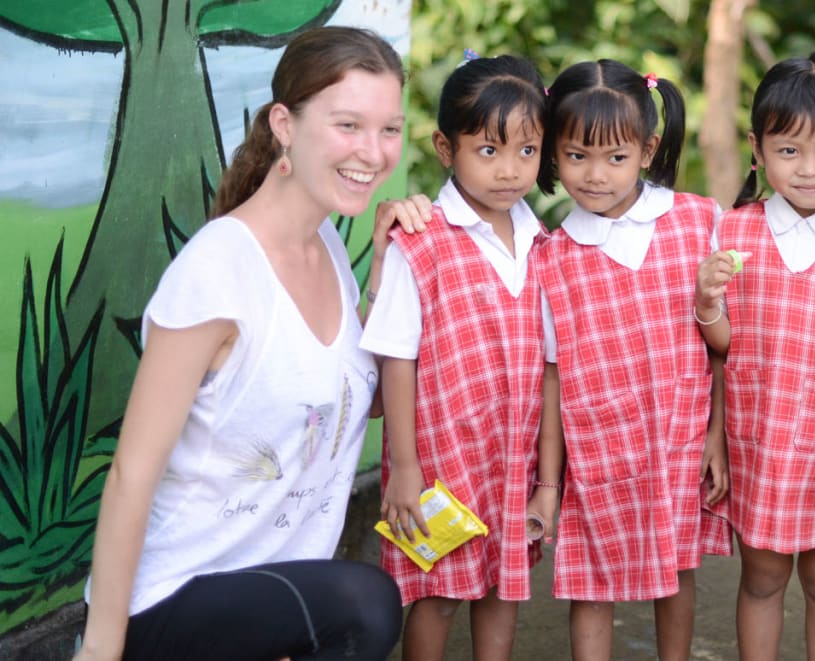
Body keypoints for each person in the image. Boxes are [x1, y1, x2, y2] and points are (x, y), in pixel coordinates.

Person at [75, 26, 407, 661]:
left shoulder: (330, 246)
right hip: (170, 599)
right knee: (365, 605)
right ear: (284, 123)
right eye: (348, 125)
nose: (373, 151)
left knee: (356, 606)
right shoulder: (217, 272)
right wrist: (101, 649)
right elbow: (130, 475)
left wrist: (386, 279)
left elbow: (354, 405)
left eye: (389, 128)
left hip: (262, 598)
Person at [692, 50, 815, 661]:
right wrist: (707, 303)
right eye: (789, 150)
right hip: (761, 449)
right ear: (757, 149)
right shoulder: (732, 233)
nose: (809, 169)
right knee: (762, 581)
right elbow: (726, 350)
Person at [360, 53, 559, 661]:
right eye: (489, 151)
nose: (510, 170)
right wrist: (404, 466)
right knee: (437, 593)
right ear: (447, 149)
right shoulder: (420, 244)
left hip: (512, 456)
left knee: (504, 587)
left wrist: (548, 481)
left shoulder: (544, 244)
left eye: (527, 151)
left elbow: (551, 367)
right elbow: (397, 358)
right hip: (441, 461)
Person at [535, 59, 731, 661]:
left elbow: (726, 349)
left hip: (677, 439)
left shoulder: (700, 222)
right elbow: (551, 374)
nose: (595, 176)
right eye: (576, 157)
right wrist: (549, 479)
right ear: (551, 152)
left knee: (676, 569)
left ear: (647, 150)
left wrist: (717, 436)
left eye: (615, 158)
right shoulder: (550, 254)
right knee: (591, 583)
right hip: (597, 449)